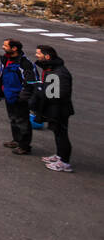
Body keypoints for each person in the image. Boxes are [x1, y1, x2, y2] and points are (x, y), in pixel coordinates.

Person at [31, 45, 74, 173]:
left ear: (47, 56)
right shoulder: (51, 69)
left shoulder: (59, 72)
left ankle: (64, 162)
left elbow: (59, 94)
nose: (36, 55)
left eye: (38, 53)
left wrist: (39, 91)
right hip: (52, 108)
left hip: (59, 110)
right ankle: (59, 156)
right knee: (57, 133)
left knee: (61, 135)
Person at [0, 38, 39, 155]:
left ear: (14, 48)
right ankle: (16, 140)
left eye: (5, 45)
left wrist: (22, 97)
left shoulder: (25, 64)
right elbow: (2, 74)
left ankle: (25, 146)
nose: (3, 47)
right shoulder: (6, 59)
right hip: (9, 95)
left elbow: (31, 82)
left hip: (19, 98)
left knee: (22, 121)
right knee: (13, 119)